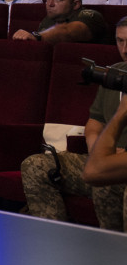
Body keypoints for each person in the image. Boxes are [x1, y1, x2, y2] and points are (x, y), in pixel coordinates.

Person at [22, 19, 127, 231]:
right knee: (35, 166)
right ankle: (56, 241)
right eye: (120, 41)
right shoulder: (115, 74)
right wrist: (96, 149)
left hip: (120, 165)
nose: (125, 49)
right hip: (101, 159)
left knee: (105, 182)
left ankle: (113, 248)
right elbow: (94, 122)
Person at [11, 0, 109, 44]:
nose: (50, 4)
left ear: (76, 4)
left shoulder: (91, 17)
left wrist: (37, 36)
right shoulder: (48, 20)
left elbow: (67, 32)